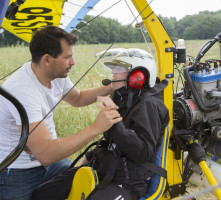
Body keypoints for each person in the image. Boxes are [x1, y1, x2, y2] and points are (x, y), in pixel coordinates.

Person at [0, 26, 122, 200]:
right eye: (67, 57)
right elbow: (45, 154)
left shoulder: (55, 76)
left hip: (51, 162)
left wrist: (114, 85)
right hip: (18, 173)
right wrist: (95, 128)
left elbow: (78, 98)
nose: (73, 62)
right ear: (47, 59)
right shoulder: (22, 90)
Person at [32, 48, 170, 200]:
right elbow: (110, 141)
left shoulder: (148, 105)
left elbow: (143, 153)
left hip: (130, 181)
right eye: (113, 69)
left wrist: (115, 122)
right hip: (103, 168)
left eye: (119, 68)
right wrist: (90, 157)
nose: (114, 73)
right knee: (43, 193)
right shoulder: (122, 96)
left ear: (138, 75)